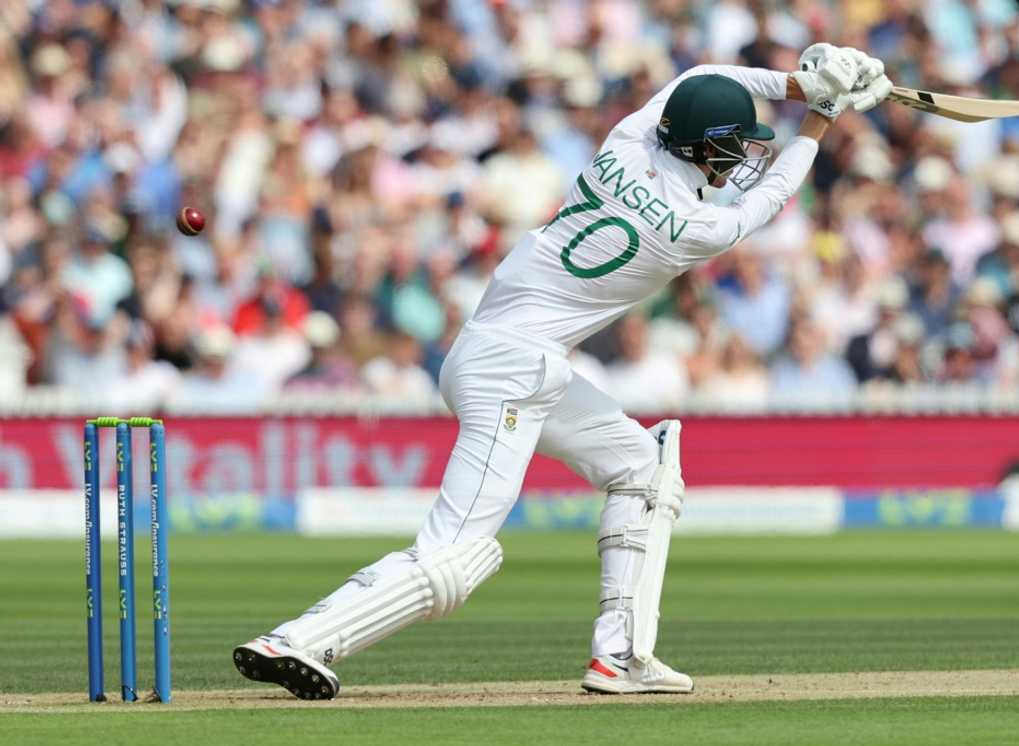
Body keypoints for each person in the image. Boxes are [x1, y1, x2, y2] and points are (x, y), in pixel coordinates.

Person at [233, 44, 893, 700]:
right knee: (459, 553)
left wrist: (803, 84)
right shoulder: (695, 227)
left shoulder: (626, 141)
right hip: (512, 370)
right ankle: (296, 640)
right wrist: (822, 113)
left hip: (503, 353)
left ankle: (621, 655)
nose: (747, 154)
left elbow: (703, 80)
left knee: (643, 465)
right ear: (708, 148)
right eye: (737, 145)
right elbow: (772, 194)